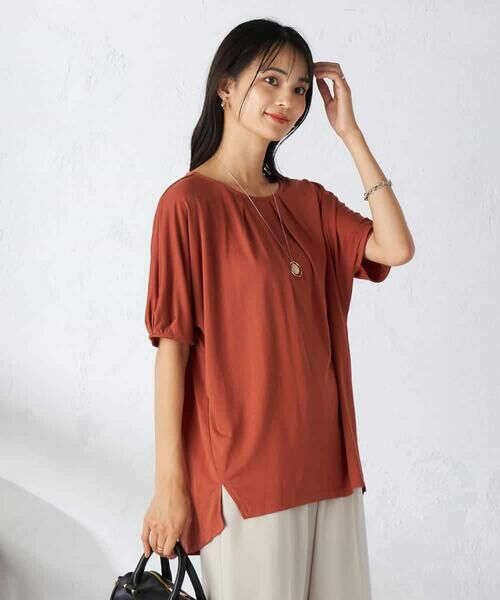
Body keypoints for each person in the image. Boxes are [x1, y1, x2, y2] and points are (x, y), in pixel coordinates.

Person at [141, 17, 414, 600]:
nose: (287, 100)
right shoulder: (187, 205)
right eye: (270, 80)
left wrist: (350, 134)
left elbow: (396, 248)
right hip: (246, 477)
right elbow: (172, 351)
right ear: (226, 86)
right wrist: (169, 486)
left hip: (330, 465)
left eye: (299, 88)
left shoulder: (308, 201)